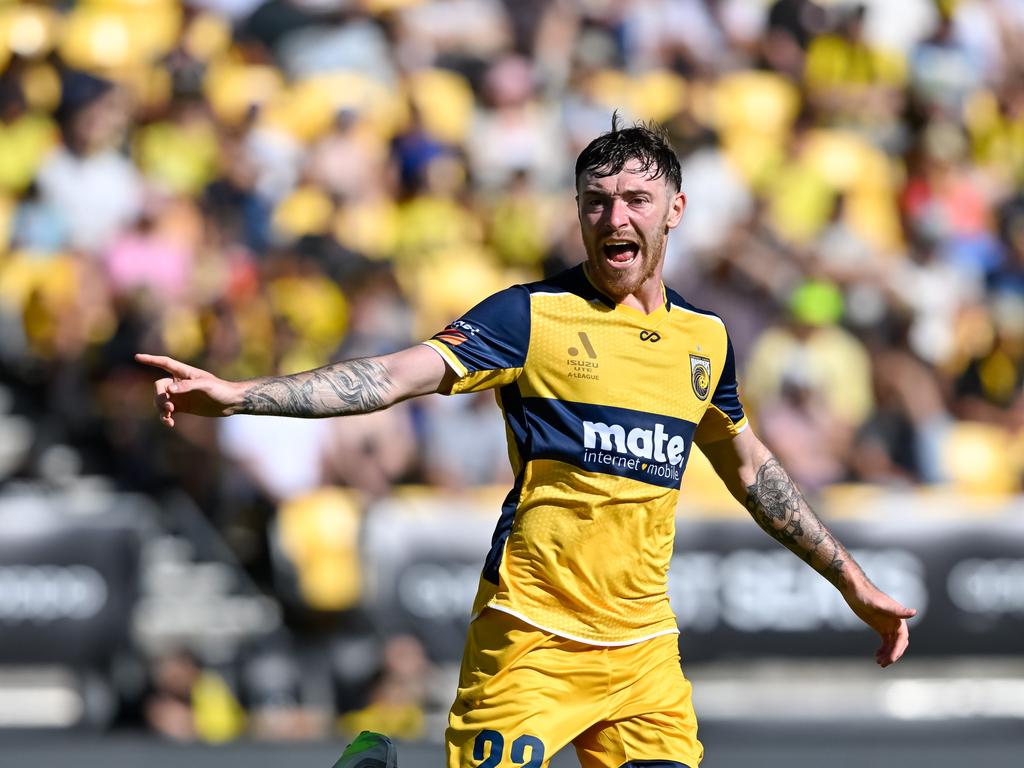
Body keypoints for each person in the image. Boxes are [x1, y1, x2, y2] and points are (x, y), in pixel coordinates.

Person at [137, 117, 916, 768]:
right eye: (597, 202)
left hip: (644, 651)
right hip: (530, 640)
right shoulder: (529, 316)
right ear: (578, 212)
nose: (616, 219)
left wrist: (850, 582)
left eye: (636, 200)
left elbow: (752, 469)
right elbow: (393, 376)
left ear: (675, 209)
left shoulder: (704, 340)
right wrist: (242, 396)